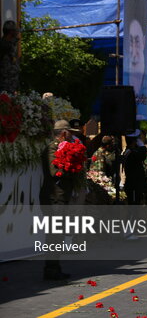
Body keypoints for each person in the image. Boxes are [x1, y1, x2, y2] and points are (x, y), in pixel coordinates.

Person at [40, 120, 83, 280]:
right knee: (54, 235)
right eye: (70, 132)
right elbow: (54, 172)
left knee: (57, 235)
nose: (72, 135)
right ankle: (51, 269)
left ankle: (54, 267)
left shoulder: (60, 147)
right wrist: (71, 166)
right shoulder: (52, 147)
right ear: (64, 133)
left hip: (59, 197)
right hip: (53, 197)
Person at [122, 130, 147, 205]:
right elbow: (142, 156)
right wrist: (142, 146)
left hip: (134, 184)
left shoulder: (130, 151)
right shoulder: (131, 153)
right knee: (134, 204)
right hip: (133, 185)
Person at [0, 20, 19, 93]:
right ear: (11, 32)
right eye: (15, 30)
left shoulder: (11, 44)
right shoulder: (4, 45)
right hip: (5, 82)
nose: (17, 32)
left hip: (12, 82)